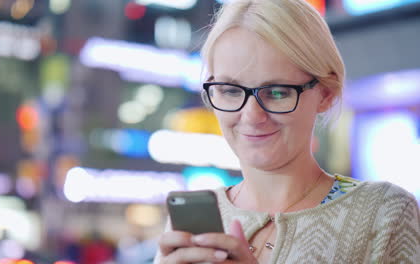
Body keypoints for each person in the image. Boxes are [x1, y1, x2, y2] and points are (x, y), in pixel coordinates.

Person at [155, 0, 420, 263]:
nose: (251, 116)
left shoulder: (383, 212)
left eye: (277, 92)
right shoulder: (194, 225)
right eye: (230, 91)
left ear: (326, 93)